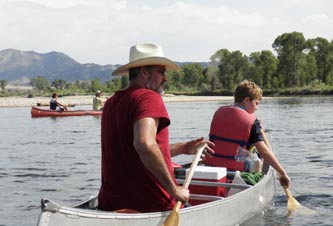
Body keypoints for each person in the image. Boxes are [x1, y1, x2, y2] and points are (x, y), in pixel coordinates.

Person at [97, 43, 213, 213]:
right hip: (150, 205)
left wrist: (183, 148)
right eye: (161, 71)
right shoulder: (149, 98)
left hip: (110, 205)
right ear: (144, 72)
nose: (165, 78)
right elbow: (144, 144)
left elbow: (134, 151)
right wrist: (174, 189)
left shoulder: (111, 103)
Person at [204, 80, 290, 188]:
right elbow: (264, 151)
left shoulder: (219, 112)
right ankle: (255, 183)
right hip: (235, 172)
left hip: (213, 166)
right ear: (247, 100)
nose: (257, 108)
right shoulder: (252, 122)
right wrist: (282, 172)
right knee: (258, 158)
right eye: (256, 103)